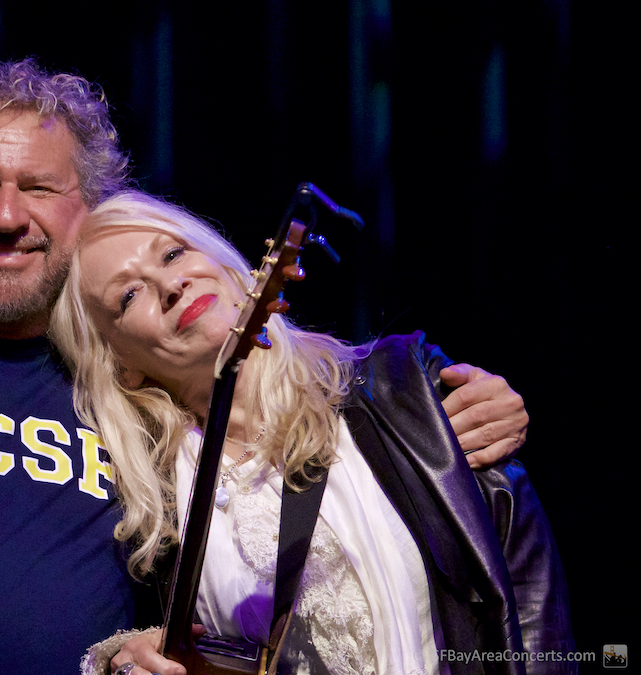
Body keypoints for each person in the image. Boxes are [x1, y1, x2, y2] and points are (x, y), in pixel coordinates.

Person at [0, 60, 530, 673]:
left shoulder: (121, 369)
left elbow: (280, 417)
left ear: (85, 209)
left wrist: (430, 401)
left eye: (37, 186)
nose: (4, 216)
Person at [49, 192, 574, 675]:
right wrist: (129, 654)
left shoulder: (398, 388)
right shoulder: (156, 506)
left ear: (232, 270)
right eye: (128, 296)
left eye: (172, 255)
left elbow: (527, 596)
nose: (170, 285)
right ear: (120, 366)